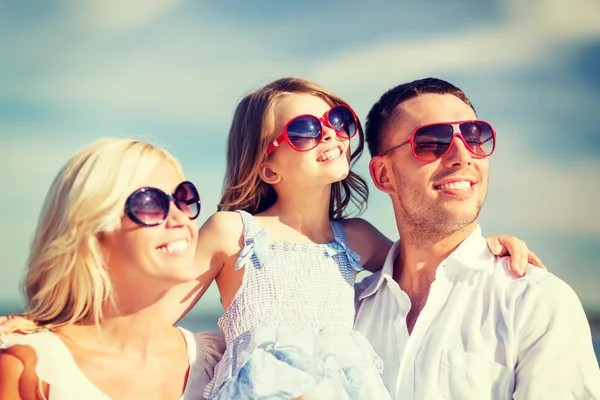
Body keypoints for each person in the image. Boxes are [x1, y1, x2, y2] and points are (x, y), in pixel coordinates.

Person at [1, 78, 542, 400]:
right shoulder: (234, 229)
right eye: (305, 131)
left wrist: (490, 244)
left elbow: (427, 264)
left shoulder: (356, 237)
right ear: (268, 166)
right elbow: (151, 309)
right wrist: (50, 326)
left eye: (335, 120)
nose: (328, 133)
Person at [354, 77, 600, 399]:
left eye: (474, 137)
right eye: (431, 142)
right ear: (383, 175)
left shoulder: (536, 301)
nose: (462, 155)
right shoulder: (349, 311)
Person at [0, 138, 224, 400]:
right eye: (150, 203)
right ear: (93, 233)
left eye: (183, 198)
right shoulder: (31, 367)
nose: (180, 218)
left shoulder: (220, 361)